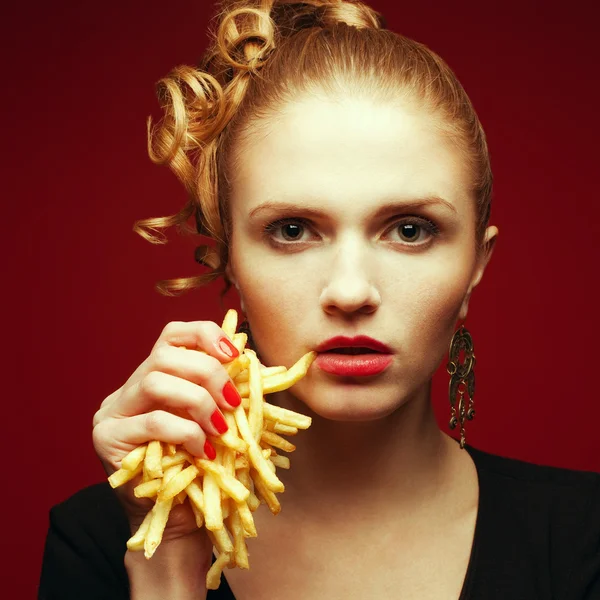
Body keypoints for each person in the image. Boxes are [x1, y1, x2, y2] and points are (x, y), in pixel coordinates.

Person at [39, 1, 600, 598]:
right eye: (292, 230)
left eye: (410, 229)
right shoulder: (101, 541)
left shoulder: (584, 538)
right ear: (231, 260)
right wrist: (167, 559)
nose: (351, 291)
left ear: (476, 265)